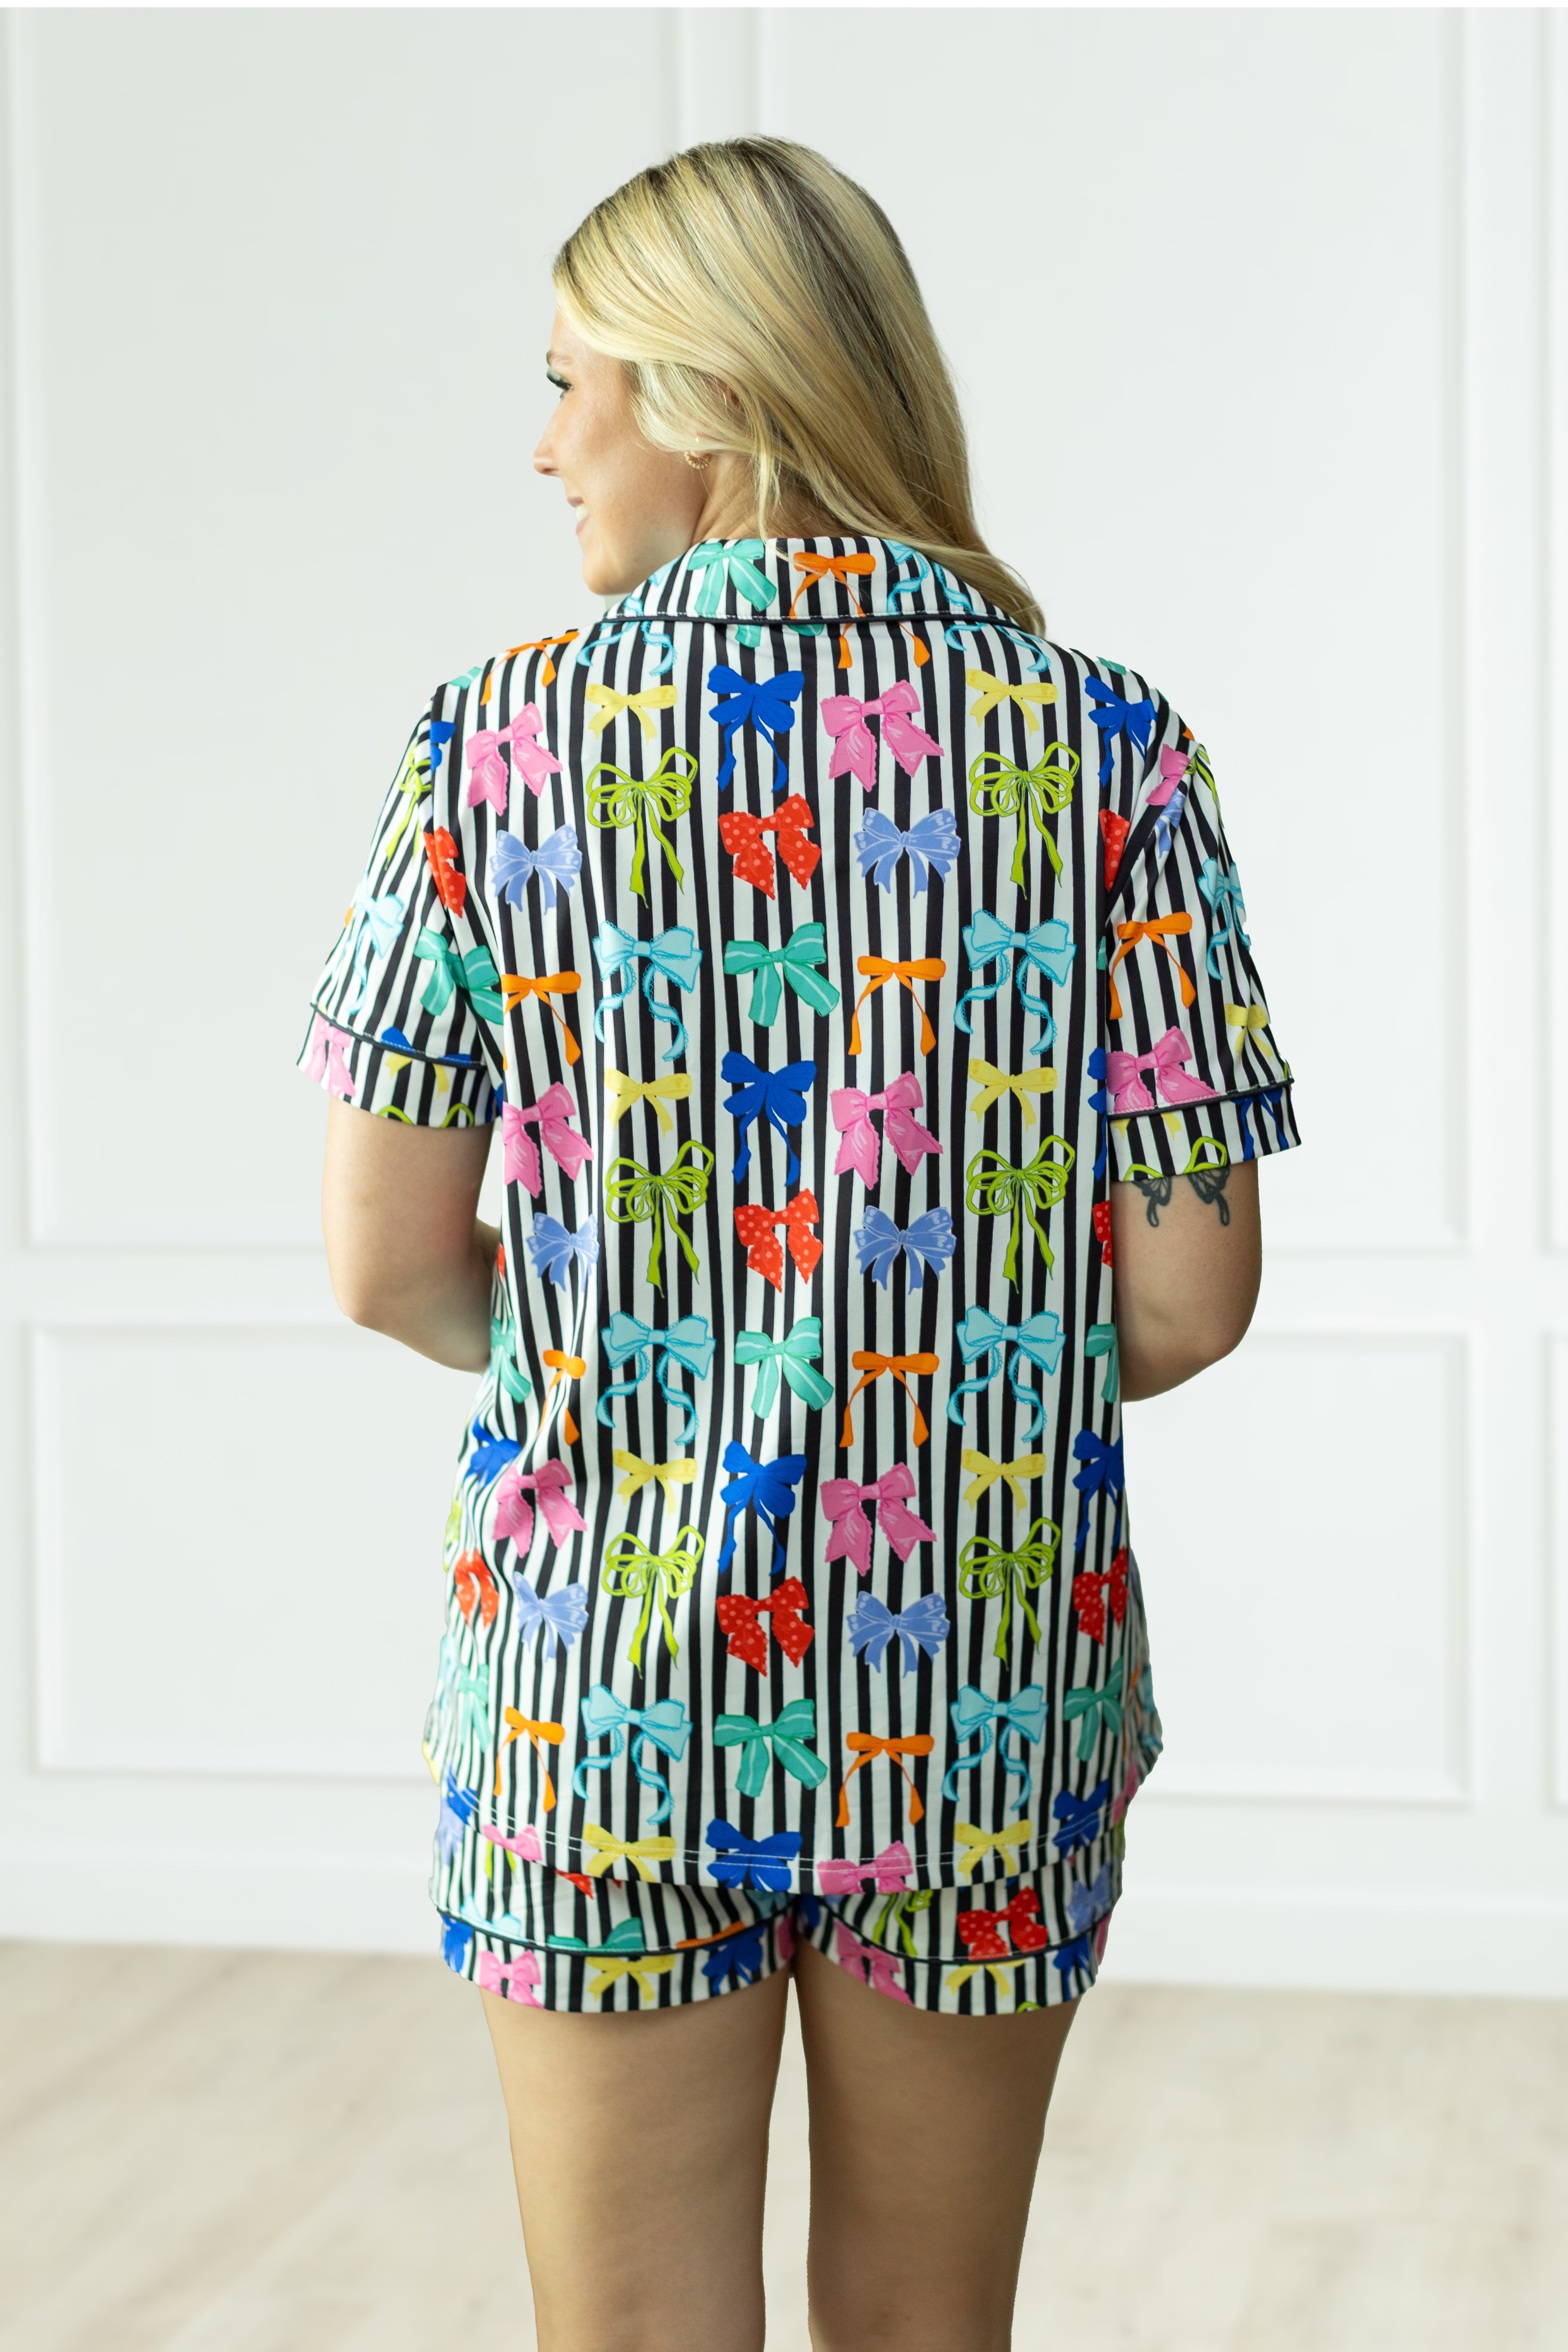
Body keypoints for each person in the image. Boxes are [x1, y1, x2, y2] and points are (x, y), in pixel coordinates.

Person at [299, 138, 1298, 2352]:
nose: (546, 445)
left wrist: (647, 1349)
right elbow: (1190, 1294)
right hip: (982, 1690)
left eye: (571, 385)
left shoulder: (493, 746)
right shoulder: (1111, 749)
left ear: (714, 393)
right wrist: (941, 1344)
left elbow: (384, 1264)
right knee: (929, 2325)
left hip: (606, 1693)